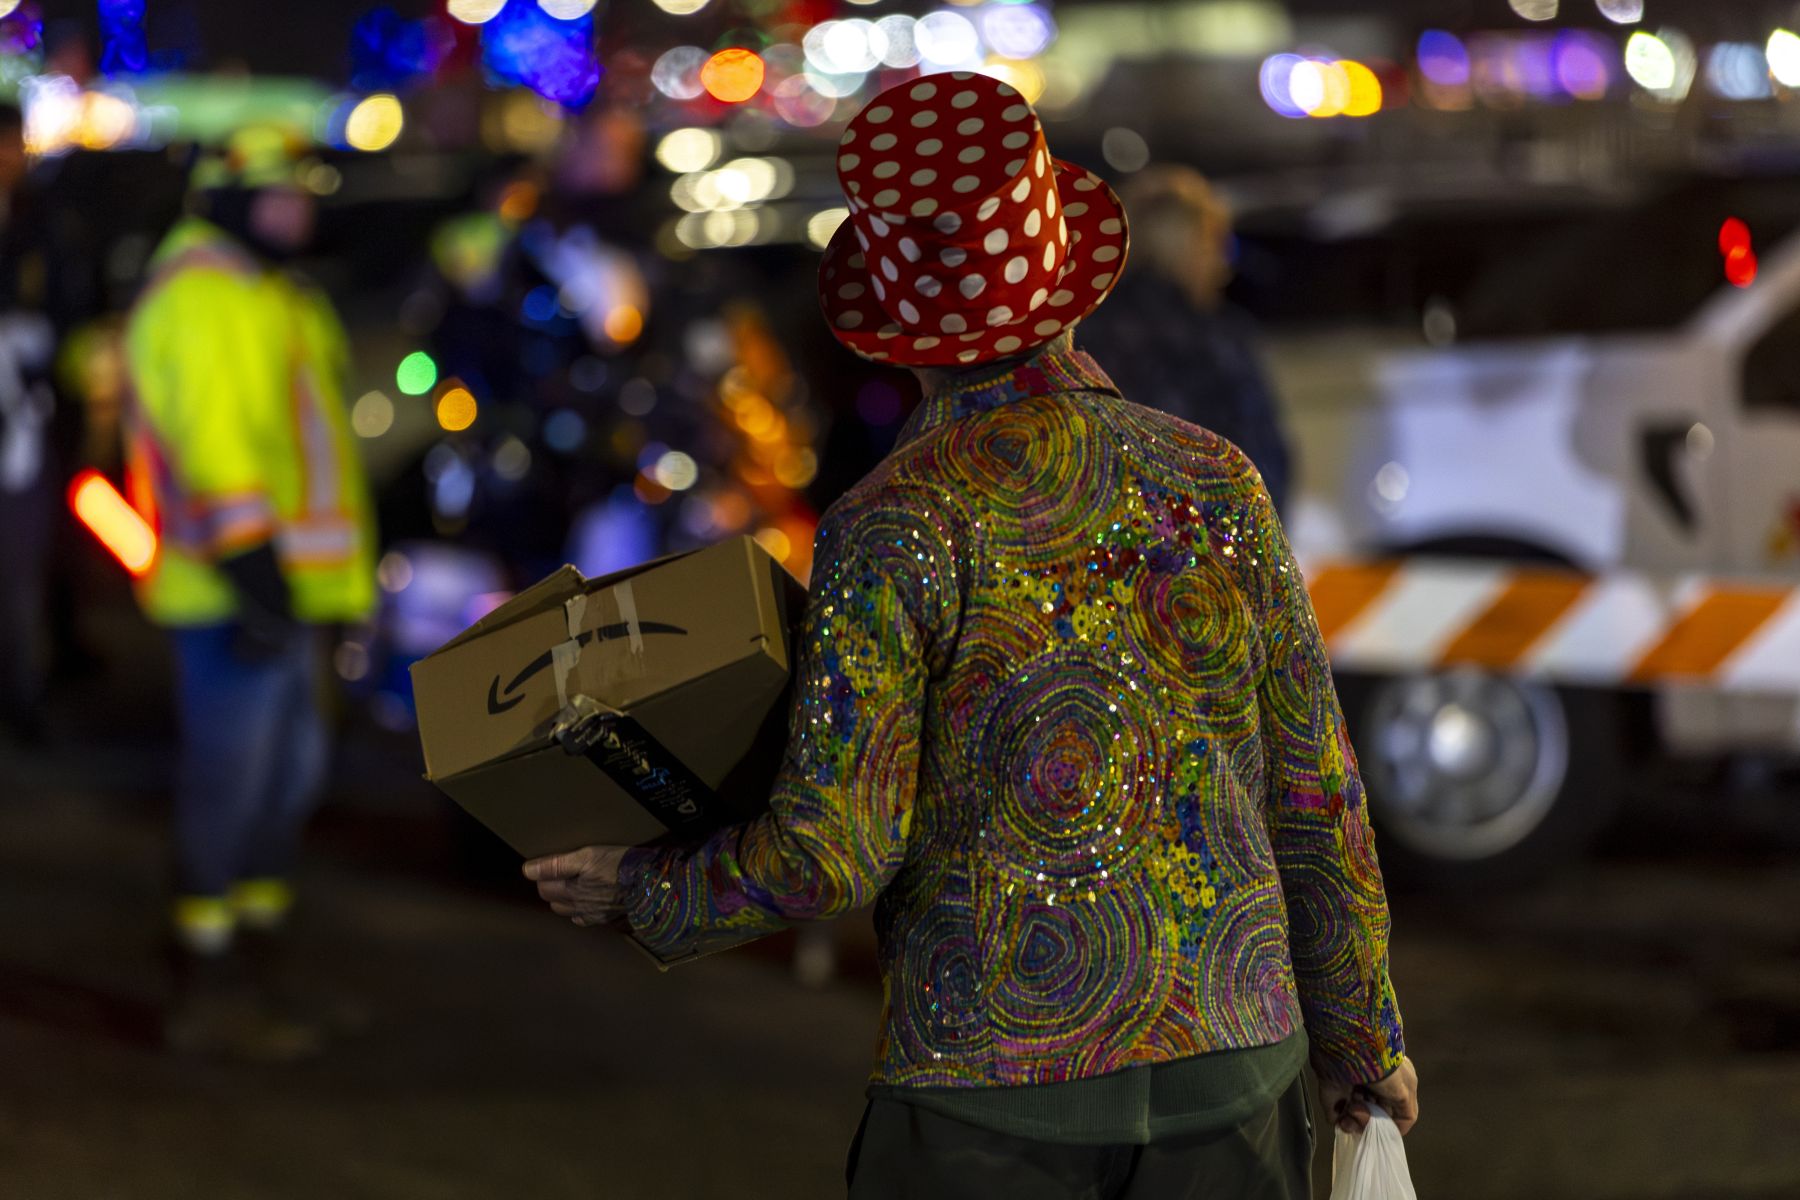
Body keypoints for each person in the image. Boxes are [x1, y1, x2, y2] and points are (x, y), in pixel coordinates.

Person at [525, 75, 1415, 1196]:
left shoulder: (890, 525)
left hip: (987, 1106)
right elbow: (1315, 791)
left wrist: (646, 887)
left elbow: (835, 849)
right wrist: (1364, 1040)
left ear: (899, 341)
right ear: (1072, 292)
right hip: (1237, 1075)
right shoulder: (1215, 480)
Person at [123, 127, 376, 1060]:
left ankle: (258, 957)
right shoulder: (204, 296)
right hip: (236, 590)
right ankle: (206, 975)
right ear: (230, 201)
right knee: (232, 783)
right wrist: (255, 574)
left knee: (286, 779)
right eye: (278, 194)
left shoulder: (270, 290)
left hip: (289, 586)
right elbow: (214, 446)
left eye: (302, 193)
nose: (297, 211)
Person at [1076, 166, 1294, 513]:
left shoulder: (1086, 332)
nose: (1223, 266)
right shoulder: (1217, 339)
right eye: (1216, 244)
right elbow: (1265, 462)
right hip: (1212, 533)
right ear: (1189, 246)